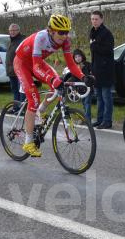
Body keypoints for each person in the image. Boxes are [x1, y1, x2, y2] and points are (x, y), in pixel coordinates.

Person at [13, 14, 94, 157]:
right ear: (51, 31)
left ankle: (40, 111)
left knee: (56, 84)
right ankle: (28, 141)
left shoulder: (65, 41)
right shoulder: (41, 38)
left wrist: (83, 77)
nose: (64, 36)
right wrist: (51, 80)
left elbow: (71, 65)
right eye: (61, 32)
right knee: (34, 98)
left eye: (67, 32)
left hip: (35, 62)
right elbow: (37, 67)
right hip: (21, 62)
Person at [89, 10, 114, 129]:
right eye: (92, 19)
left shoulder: (106, 33)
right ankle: (99, 119)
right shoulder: (92, 32)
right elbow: (93, 54)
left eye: (96, 19)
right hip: (96, 70)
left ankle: (107, 121)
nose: (94, 21)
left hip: (106, 70)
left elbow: (108, 50)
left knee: (106, 97)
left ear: (101, 19)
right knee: (98, 97)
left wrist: (94, 46)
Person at [5, 23, 25, 107]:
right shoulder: (10, 40)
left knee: (21, 90)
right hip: (11, 70)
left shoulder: (22, 40)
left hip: (20, 70)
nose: (12, 32)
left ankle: (22, 109)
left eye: (14, 30)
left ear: (18, 31)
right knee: (15, 90)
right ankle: (15, 108)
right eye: (10, 30)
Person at [72, 48, 93, 122]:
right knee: (84, 103)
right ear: (74, 58)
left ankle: (88, 119)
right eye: (76, 57)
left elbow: (90, 74)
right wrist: (74, 88)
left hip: (88, 88)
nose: (78, 58)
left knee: (87, 103)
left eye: (79, 56)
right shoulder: (74, 67)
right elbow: (73, 79)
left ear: (82, 56)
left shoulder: (87, 64)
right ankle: (86, 118)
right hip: (80, 89)